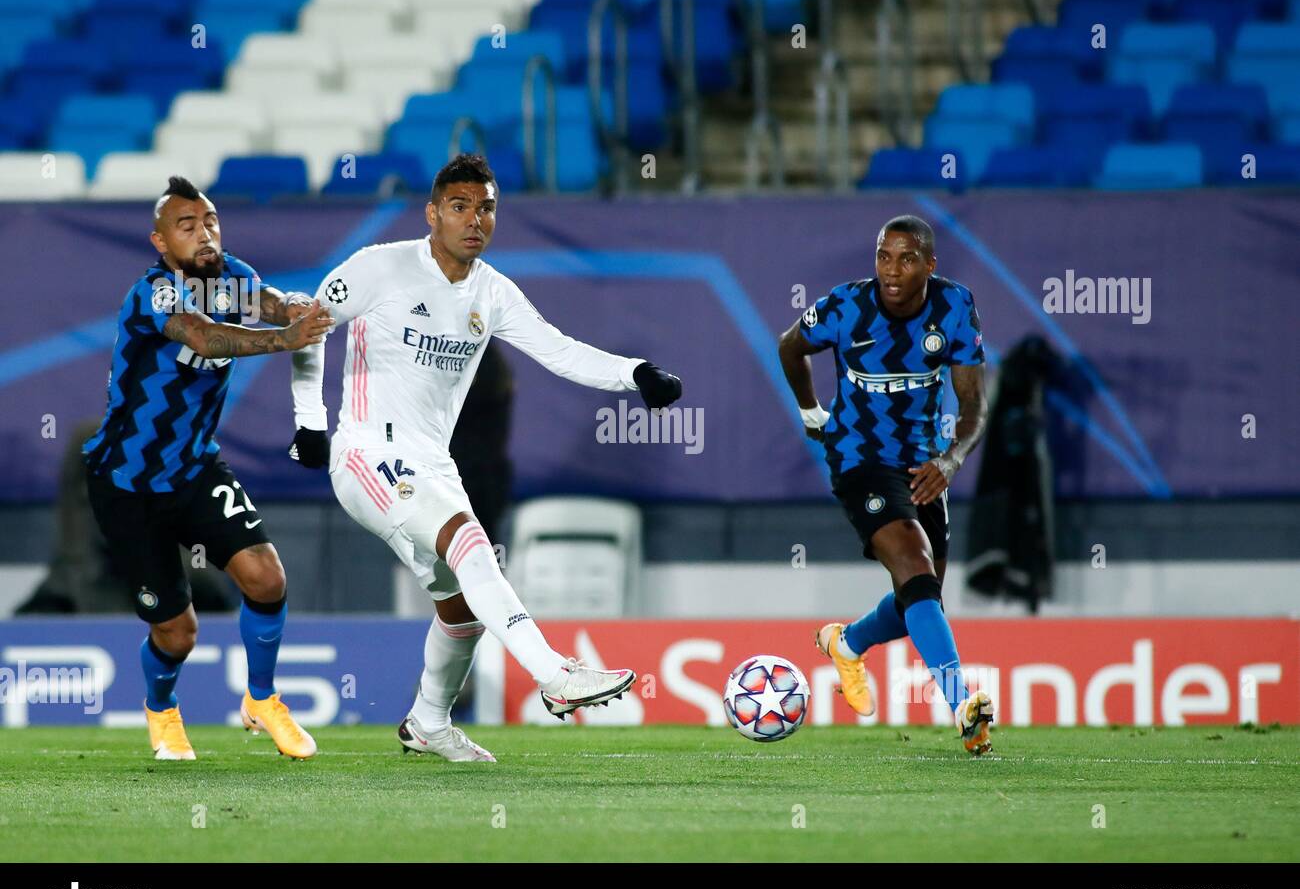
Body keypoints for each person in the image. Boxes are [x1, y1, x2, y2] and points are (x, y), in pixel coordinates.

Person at [287, 154, 682, 762]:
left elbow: (559, 350)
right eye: (460, 206)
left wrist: (635, 374)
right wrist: (311, 423)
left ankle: (427, 723)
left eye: (486, 207)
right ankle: (555, 675)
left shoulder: (492, 292)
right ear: (432, 214)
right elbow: (306, 327)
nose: (474, 219)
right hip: (367, 451)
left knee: (462, 607)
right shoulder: (379, 267)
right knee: (471, 546)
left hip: (432, 463)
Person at [82, 176, 334, 761]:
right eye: (187, 226)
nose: (204, 233)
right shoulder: (153, 295)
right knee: (178, 632)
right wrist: (284, 338)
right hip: (128, 482)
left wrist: (294, 307)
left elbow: (269, 301)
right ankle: (162, 711)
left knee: (267, 578)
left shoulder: (233, 280)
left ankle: (262, 699)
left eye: (211, 221)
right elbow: (206, 337)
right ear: (160, 242)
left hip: (195, 468)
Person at [777, 214, 995, 755]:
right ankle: (961, 704)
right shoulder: (846, 306)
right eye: (883, 256)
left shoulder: (955, 307)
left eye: (905, 258)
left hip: (923, 465)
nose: (891, 271)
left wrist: (950, 460)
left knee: (921, 597)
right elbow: (789, 347)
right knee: (915, 564)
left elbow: (973, 406)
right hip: (857, 457)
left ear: (930, 264)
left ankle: (846, 643)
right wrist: (811, 414)